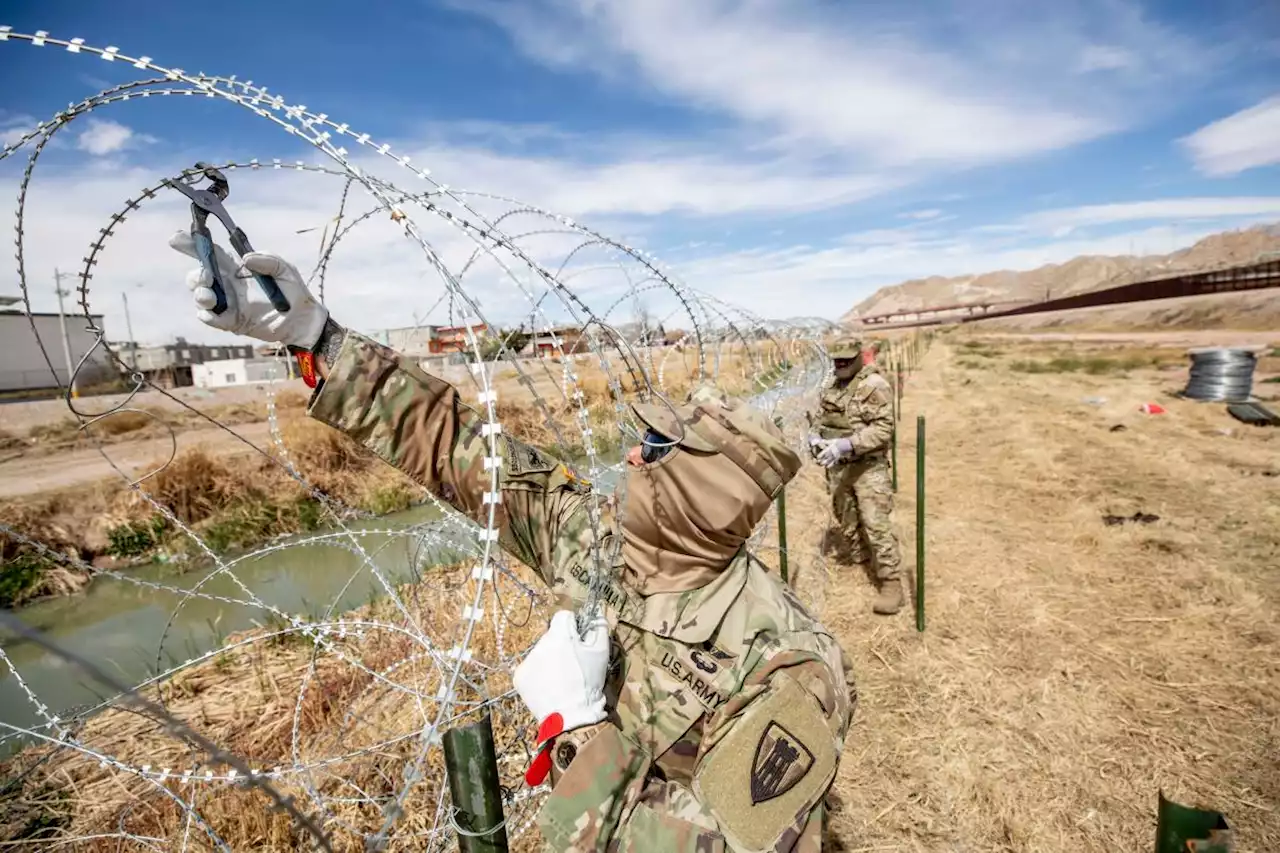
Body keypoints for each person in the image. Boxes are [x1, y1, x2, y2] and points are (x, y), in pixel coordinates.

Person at [169, 233, 856, 852]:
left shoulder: (789, 668)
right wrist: (317, 337)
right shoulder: (590, 535)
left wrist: (576, 728)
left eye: (655, 445)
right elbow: (462, 449)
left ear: (703, 497)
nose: (633, 456)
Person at [807, 336, 904, 615]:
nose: (841, 365)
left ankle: (891, 583)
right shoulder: (831, 384)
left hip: (867, 467)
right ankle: (863, 559)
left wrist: (847, 444)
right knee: (846, 515)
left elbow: (884, 429)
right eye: (837, 360)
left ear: (860, 357)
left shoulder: (874, 386)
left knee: (876, 522)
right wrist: (816, 438)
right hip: (838, 467)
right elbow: (821, 417)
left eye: (847, 360)